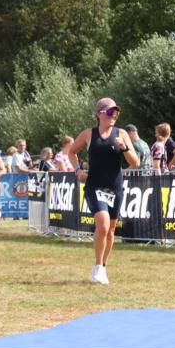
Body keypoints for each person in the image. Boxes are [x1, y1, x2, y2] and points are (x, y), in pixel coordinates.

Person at [67, 98, 139, 285]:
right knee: (103, 225)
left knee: (111, 230)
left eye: (116, 112)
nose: (113, 115)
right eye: (109, 112)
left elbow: (135, 163)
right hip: (95, 186)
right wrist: (78, 171)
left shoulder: (121, 133)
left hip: (115, 186)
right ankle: (98, 267)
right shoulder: (88, 134)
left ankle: (102, 268)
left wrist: (123, 147)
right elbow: (71, 152)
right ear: (99, 114)